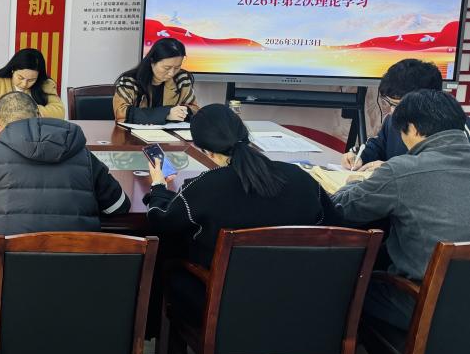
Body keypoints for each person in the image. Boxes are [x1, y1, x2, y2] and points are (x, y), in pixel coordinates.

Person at [331, 90, 470, 333]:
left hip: (427, 309)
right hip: (458, 308)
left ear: (413, 129)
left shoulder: (404, 170)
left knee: (343, 283)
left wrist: (356, 183)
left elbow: (341, 209)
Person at [145, 104, 334, 270]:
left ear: (207, 151)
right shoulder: (299, 177)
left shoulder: (204, 187)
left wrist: (159, 185)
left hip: (221, 295)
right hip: (302, 290)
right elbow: (335, 225)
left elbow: (161, 221)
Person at [0, 91, 129, 264]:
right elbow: (118, 206)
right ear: (38, 116)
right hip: (78, 271)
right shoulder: (82, 153)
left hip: (11, 274)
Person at [343, 59, 470, 169]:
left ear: (429, 99)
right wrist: (358, 156)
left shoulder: (457, 129)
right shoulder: (392, 121)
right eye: (388, 103)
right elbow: (377, 146)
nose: (392, 111)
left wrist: (394, 170)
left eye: (398, 105)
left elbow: (453, 173)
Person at [0, 47, 65, 121]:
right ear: (12, 70)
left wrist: (28, 111)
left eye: (31, 80)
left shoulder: (45, 84)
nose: (24, 84)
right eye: (20, 78)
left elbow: (60, 112)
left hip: (34, 139)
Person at [113, 37, 198, 124]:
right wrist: (166, 114)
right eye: (167, 68)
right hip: (134, 132)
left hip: (171, 131)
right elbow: (121, 114)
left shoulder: (181, 79)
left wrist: (183, 112)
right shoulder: (130, 81)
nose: (171, 73)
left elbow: (194, 110)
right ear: (152, 62)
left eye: (177, 67)